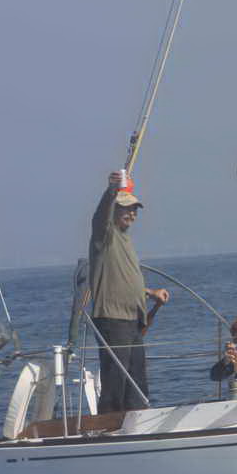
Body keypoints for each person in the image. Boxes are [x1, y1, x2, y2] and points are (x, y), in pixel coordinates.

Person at [88, 171, 169, 413]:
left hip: (132, 320)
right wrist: (111, 190)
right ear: (114, 209)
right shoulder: (105, 235)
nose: (131, 213)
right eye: (126, 208)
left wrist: (150, 293)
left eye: (134, 209)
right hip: (112, 318)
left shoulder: (125, 239)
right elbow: (99, 217)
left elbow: (123, 279)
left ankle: (137, 419)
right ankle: (109, 424)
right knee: (116, 378)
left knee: (136, 378)